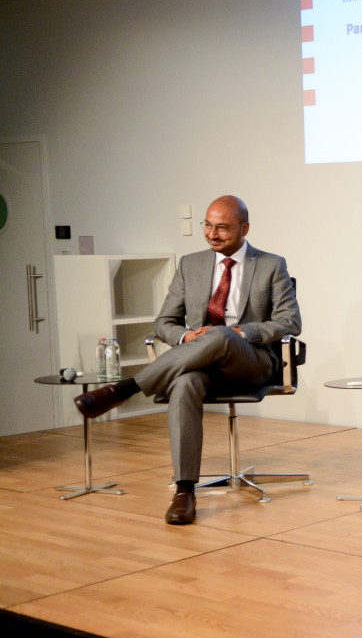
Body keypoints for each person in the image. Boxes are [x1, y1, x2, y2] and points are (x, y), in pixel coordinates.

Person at [72, 195, 301, 526]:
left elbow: (290, 322)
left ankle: (126, 388)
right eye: (207, 225)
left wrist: (239, 331)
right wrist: (185, 337)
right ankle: (184, 492)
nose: (212, 234)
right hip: (198, 362)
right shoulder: (190, 264)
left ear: (244, 228)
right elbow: (164, 322)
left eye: (222, 227)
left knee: (222, 335)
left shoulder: (270, 264)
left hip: (250, 362)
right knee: (184, 382)